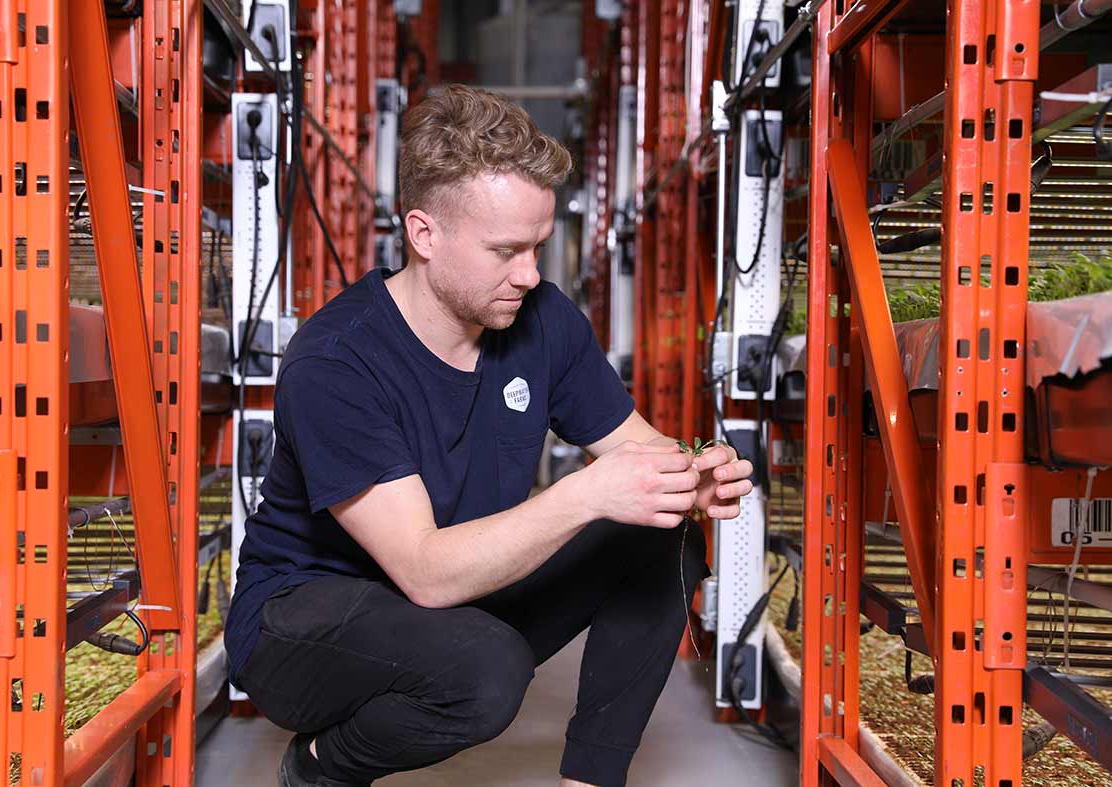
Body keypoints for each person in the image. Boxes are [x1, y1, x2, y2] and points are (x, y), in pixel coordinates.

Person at [224, 85, 755, 787]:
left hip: (452, 597)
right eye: (506, 250)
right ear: (423, 234)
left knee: (656, 529)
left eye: (538, 245)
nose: (531, 273)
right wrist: (583, 494)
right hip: (305, 622)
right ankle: (324, 764)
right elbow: (422, 568)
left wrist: (690, 473)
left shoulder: (540, 316)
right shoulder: (337, 361)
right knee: (487, 669)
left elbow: (636, 447)